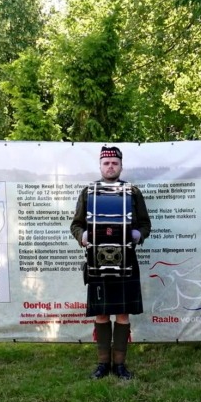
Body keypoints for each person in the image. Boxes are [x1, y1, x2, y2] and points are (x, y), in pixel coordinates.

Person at [70, 146, 151, 380]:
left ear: (121, 166)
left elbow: (145, 224)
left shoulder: (132, 192)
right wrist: (82, 236)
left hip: (126, 260)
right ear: (100, 166)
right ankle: (103, 364)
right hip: (97, 261)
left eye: (115, 163)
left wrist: (139, 234)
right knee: (102, 314)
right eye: (106, 163)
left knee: (123, 314)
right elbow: (76, 225)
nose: (110, 167)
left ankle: (120, 365)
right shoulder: (89, 192)